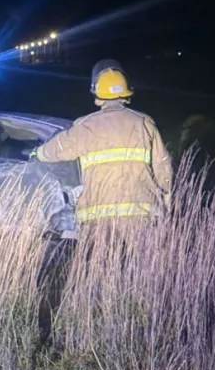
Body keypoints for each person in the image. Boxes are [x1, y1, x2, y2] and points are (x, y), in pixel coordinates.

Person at [33, 59, 172, 341]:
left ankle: (99, 333)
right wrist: (165, 205)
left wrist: (36, 153)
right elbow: (165, 172)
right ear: (127, 90)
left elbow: (51, 152)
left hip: (99, 220)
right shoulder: (144, 124)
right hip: (141, 216)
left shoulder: (86, 126)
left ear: (96, 91)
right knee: (140, 279)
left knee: (99, 279)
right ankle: (138, 333)